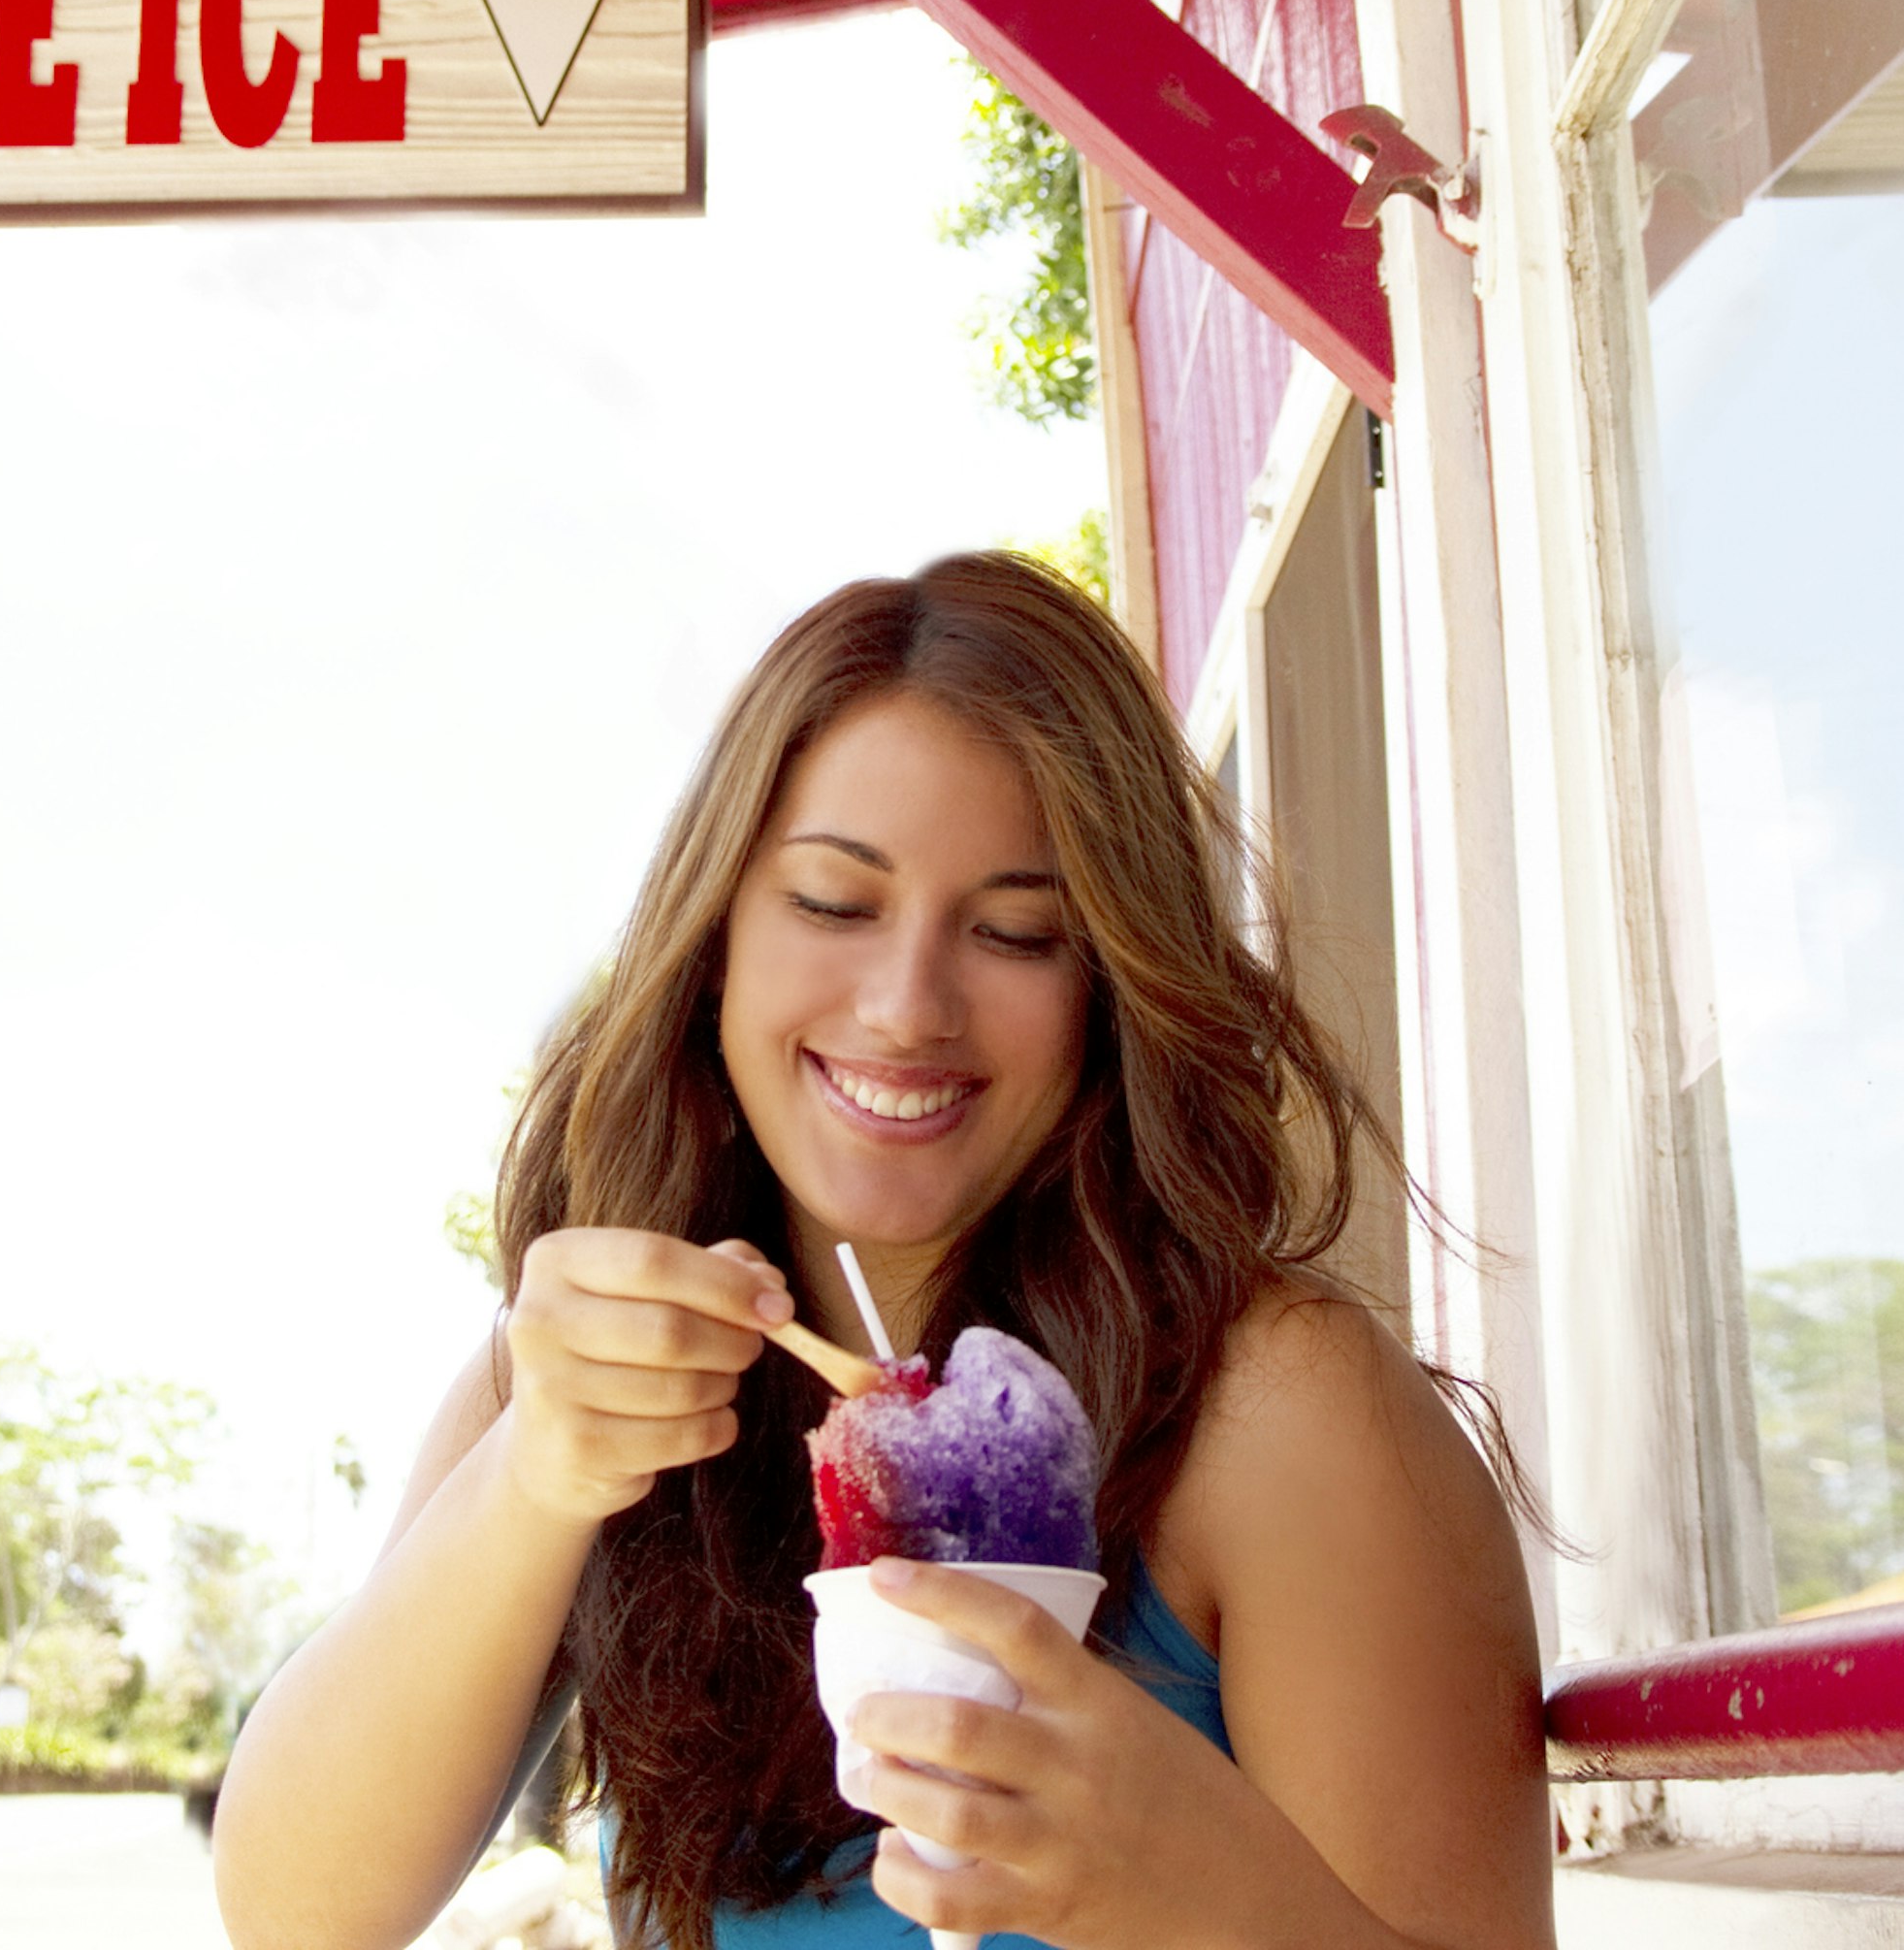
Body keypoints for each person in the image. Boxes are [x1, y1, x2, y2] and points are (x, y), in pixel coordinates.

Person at [216, 556, 1550, 1950]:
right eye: (834, 905)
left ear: (1110, 983)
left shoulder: (1278, 1408)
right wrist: (536, 1475)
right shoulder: (566, 1383)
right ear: (715, 936)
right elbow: (297, 1914)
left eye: (1019, 932)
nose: (909, 1005)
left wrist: (1202, 1890)